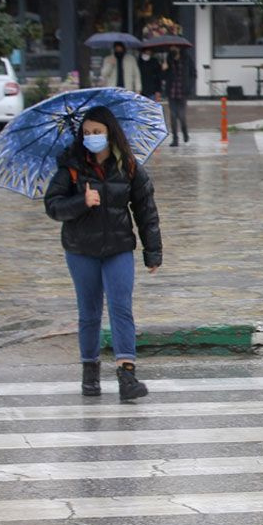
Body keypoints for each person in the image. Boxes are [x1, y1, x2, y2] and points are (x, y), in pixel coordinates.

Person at [43, 105, 162, 401]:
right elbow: (53, 206)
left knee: (121, 307)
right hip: (80, 249)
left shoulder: (130, 166)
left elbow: (145, 209)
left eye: (97, 132)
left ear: (110, 133)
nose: (92, 137)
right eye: (86, 133)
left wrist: (153, 251)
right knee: (89, 312)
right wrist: (81, 202)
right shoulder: (70, 168)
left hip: (119, 247)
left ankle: (127, 375)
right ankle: (90, 374)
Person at [162, 45, 194, 146]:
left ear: (179, 48)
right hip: (172, 92)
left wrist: (190, 86)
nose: (173, 49)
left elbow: (193, 73)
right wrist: (164, 69)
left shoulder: (187, 58)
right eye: (171, 47)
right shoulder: (168, 59)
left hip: (183, 92)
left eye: (175, 47)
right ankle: (175, 139)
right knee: (173, 116)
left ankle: (185, 132)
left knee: (181, 116)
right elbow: (163, 77)